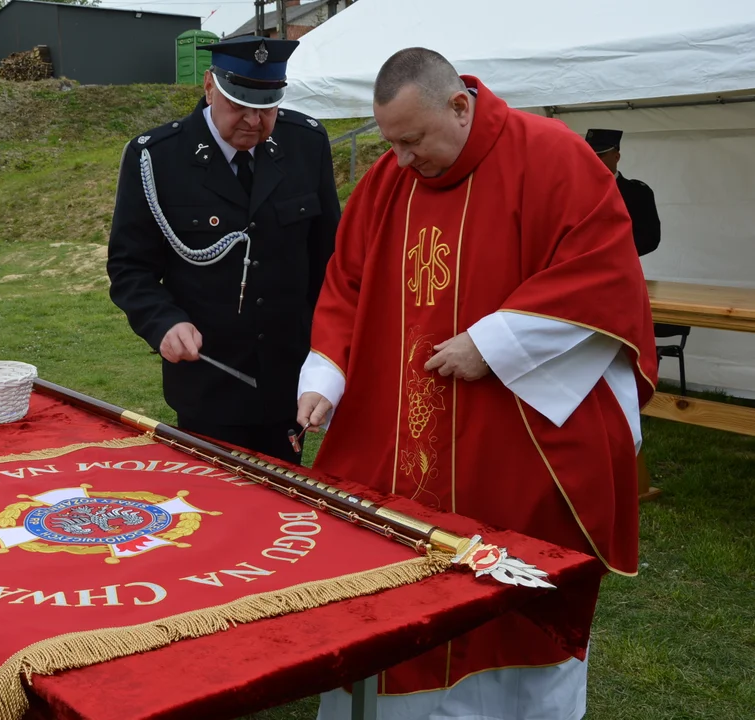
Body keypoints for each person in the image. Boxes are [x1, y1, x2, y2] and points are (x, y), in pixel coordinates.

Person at [296, 48, 658, 720]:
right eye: (390, 143)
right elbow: (346, 281)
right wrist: (327, 372)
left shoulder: (552, 157)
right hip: (399, 434)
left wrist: (495, 342)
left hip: (512, 435)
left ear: (459, 106)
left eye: (411, 140)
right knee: (388, 571)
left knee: (512, 583)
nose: (401, 160)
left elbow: (603, 273)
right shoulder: (387, 182)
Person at [107, 36, 340, 464]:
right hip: (207, 382)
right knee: (213, 510)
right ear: (210, 86)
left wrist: (326, 360)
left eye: (267, 107)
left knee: (280, 508)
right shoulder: (157, 158)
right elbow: (130, 267)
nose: (254, 121)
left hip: (287, 378)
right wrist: (163, 323)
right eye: (240, 105)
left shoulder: (305, 144)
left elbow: (330, 263)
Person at [585, 128, 661, 256]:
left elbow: (649, 238)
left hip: (619, 266)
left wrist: (610, 254)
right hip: (580, 269)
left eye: (600, 155)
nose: (594, 160)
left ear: (616, 157)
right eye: (589, 155)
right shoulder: (574, 190)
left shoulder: (638, 193)